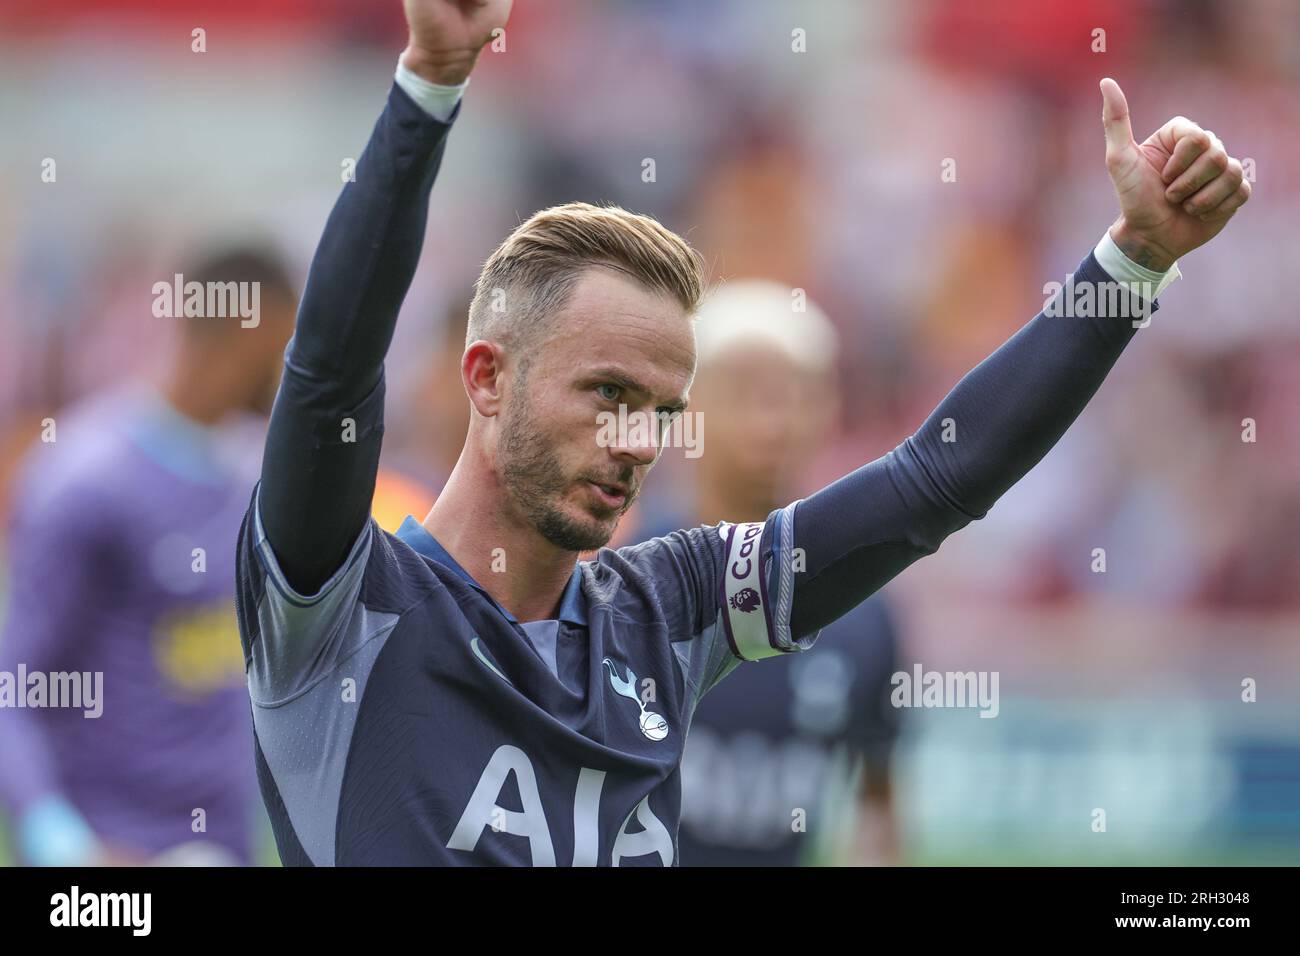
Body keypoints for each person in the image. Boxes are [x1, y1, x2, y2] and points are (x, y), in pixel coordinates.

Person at [236, 0, 1250, 866]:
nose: (635, 437)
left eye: (662, 410)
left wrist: (1129, 265)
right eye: (603, 391)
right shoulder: (339, 602)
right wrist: (431, 87)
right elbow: (330, 370)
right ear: (487, 378)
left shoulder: (667, 610)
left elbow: (934, 483)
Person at [0, 245, 296, 865]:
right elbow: (15, 685)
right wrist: (60, 841)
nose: (293, 372)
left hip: (221, 846)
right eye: (284, 349)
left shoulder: (258, 474)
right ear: (244, 336)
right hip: (112, 853)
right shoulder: (87, 480)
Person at [642, 281, 901, 866]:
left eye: (797, 394)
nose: (774, 417)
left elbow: (877, 804)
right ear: (687, 408)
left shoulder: (860, 607)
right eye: (746, 391)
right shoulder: (621, 575)